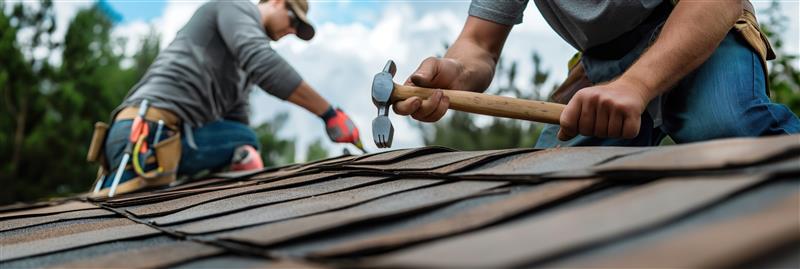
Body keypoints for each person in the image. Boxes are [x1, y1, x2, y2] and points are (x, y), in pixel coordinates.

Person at [394, 0, 799, 148]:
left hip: (694, 29)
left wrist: (636, 85)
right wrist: (454, 72)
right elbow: (479, 45)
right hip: (601, 63)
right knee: (548, 183)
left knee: (732, 126)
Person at [88, 0, 361, 196]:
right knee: (246, 139)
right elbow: (262, 62)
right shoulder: (234, 7)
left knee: (244, 138)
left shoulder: (241, 74)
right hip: (145, 135)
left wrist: (251, 172)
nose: (292, 31)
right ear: (277, 2)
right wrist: (329, 113)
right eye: (293, 21)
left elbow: (237, 123)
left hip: (159, 139)